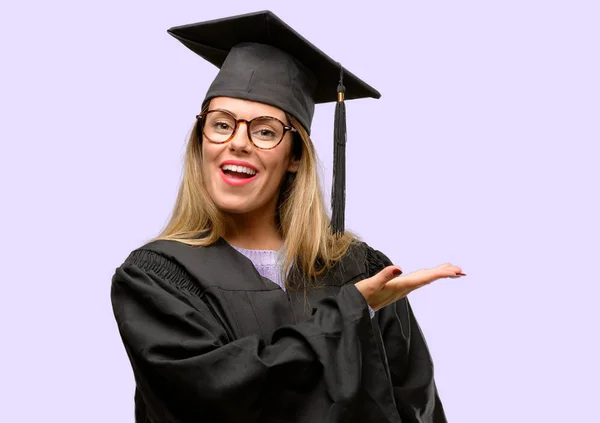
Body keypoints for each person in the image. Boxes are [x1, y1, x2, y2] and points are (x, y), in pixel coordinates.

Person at [111, 10, 465, 423]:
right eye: (221, 124)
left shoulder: (362, 271)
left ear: (295, 155)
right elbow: (213, 399)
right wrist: (350, 312)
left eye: (264, 130)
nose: (237, 143)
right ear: (201, 140)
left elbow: (416, 406)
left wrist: (360, 302)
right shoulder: (157, 279)